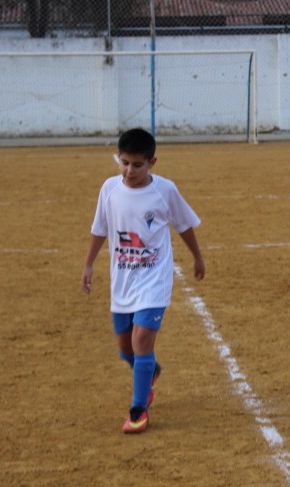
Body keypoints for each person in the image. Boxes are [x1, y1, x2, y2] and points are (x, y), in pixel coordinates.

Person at [81, 128, 205, 434]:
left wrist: (197, 257)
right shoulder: (109, 189)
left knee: (141, 341)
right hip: (123, 280)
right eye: (124, 163)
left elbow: (184, 225)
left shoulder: (165, 191)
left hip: (153, 279)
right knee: (126, 348)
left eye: (137, 165)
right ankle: (150, 370)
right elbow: (100, 229)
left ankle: (138, 410)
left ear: (152, 162)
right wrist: (88, 264)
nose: (129, 170)